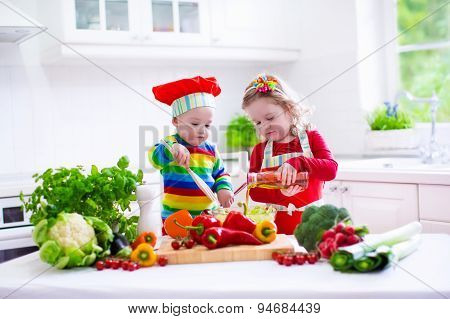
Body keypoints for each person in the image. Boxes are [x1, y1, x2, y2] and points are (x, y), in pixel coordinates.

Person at [242, 74, 338, 234]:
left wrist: (299, 162)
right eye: (257, 122)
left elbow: (331, 170)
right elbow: (254, 190)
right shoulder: (260, 151)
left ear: (289, 109)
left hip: (315, 229)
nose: (264, 126)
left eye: (270, 117)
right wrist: (280, 192)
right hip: (276, 232)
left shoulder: (311, 137)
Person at [149, 76, 234, 221]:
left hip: (208, 218)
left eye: (207, 125)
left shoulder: (211, 150)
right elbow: (154, 158)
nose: (202, 131)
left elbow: (221, 174)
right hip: (173, 219)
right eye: (195, 124)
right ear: (176, 121)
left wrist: (224, 188)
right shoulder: (170, 143)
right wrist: (173, 149)